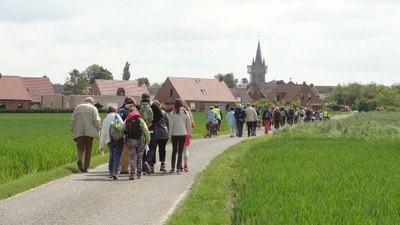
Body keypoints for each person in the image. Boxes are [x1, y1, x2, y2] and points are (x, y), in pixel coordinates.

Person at [70, 97, 101, 172]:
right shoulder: (93, 108)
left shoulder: (77, 108)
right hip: (89, 132)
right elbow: (96, 120)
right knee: (88, 148)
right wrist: (98, 128)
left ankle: (80, 160)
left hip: (79, 131)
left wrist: (72, 129)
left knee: (80, 147)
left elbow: (72, 120)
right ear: (92, 102)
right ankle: (86, 166)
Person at [124, 109, 151, 180]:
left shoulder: (127, 120)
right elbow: (146, 130)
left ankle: (132, 174)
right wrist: (148, 139)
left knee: (132, 157)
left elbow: (123, 130)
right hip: (141, 140)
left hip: (130, 141)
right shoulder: (140, 120)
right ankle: (139, 173)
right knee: (139, 157)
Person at [99, 106, 124, 180]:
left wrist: (101, 145)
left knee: (112, 154)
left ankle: (110, 171)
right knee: (118, 155)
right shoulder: (117, 116)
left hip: (109, 140)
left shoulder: (105, 120)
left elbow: (103, 133)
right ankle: (115, 172)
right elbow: (123, 126)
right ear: (115, 111)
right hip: (118, 139)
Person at [169, 98, 192, 174]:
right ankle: (178, 168)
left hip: (174, 134)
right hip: (183, 134)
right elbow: (189, 125)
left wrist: (169, 136)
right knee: (180, 151)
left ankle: (172, 167)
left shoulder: (172, 113)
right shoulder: (186, 113)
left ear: (175, 105)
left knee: (174, 151)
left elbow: (171, 126)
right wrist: (189, 134)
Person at [117, 97, 136, 174]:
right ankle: (124, 169)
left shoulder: (119, 110)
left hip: (117, 133)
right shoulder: (129, 112)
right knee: (125, 151)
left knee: (118, 151)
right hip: (125, 133)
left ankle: (116, 167)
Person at [153, 100, 169, 172]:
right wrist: (168, 132)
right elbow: (168, 122)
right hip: (163, 132)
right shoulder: (164, 113)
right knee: (162, 149)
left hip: (154, 132)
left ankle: (151, 166)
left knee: (153, 149)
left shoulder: (152, 112)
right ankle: (162, 165)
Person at [182, 100, 195, 172]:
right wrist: (190, 133)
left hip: (178, 133)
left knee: (179, 150)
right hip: (187, 132)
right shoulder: (189, 113)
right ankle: (186, 164)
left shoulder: (176, 112)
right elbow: (192, 125)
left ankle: (180, 165)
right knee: (185, 149)